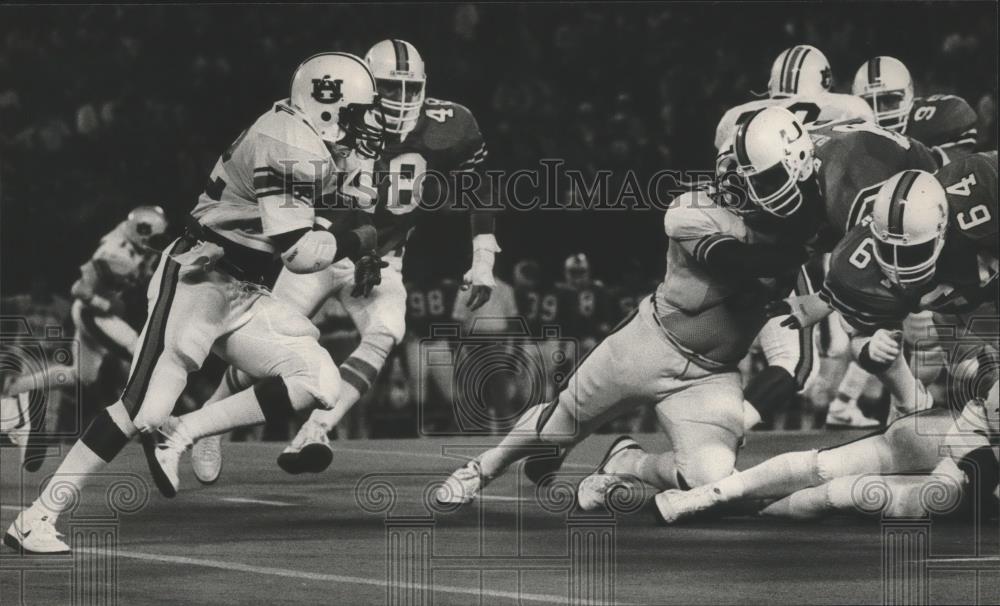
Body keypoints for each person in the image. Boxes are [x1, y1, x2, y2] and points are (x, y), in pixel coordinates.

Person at [3, 52, 386, 555]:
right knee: (140, 407)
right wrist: (360, 239)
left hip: (244, 291)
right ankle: (37, 517)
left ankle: (185, 431)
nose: (367, 124)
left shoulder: (303, 134)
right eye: (358, 113)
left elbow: (313, 213)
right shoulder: (284, 141)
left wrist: (356, 185)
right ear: (327, 107)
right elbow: (299, 254)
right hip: (198, 280)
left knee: (320, 382)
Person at [439, 111, 812, 506]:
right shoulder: (693, 207)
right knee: (558, 425)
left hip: (712, 376)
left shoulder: (792, 230)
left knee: (708, 478)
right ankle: (482, 467)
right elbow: (738, 262)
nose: (775, 192)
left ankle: (628, 462)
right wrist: (808, 243)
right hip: (651, 346)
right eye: (763, 181)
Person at [176, 39, 500, 481]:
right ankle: (211, 422)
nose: (401, 100)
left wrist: (483, 257)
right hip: (320, 247)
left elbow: (480, 185)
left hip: (383, 255)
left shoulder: (453, 124)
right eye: (389, 87)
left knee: (387, 331)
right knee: (267, 348)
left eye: (410, 89)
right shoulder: (337, 113)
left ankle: (316, 430)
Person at [655, 168, 998, 522]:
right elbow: (865, 338)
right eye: (891, 250)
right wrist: (873, 345)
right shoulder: (859, 266)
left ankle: (730, 499)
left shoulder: (982, 209)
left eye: (912, 253)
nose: (900, 266)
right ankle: (717, 496)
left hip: (958, 431)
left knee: (878, 495)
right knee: (835, 480)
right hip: (948, 429)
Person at [853, 56, 979, 166]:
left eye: (889, 100)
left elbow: (951, 174)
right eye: (868, 103)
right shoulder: (849, 135)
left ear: (909, 95)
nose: (879, 111)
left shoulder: (944, 115)